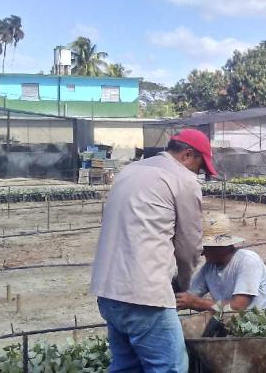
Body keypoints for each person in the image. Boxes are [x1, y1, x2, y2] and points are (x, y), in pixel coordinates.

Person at [90, 129, 216, 373]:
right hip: (144, 296)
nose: (198, 175)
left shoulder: (130, 170)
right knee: (170, 368)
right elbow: (189, 245)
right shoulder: (183, 180)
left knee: (127, 366)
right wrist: (182, 284)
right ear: (188, 155)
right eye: (199, 168)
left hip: (107, 291)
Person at [176, 213, 266, 312]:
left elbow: (237, 307)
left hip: (256, 324)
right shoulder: (209, 268)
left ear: (219, 247)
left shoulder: (248, 261)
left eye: (205, 247)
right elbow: (191, 295)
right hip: (225, 321)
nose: (202, 253)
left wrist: (195, 302)